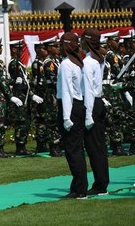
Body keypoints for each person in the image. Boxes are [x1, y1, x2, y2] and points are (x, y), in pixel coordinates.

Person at [81, 28, 110, 195]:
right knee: (99, 146)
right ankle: (102, 182)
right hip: (98, 102)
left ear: (86, 42)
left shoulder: (88, 62)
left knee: (94, 147)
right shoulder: (98, 58)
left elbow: (89, 90)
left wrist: (88, 115)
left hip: (92, 104)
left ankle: (100, 185)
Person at [58, 32, 87, 199]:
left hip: (69, 107)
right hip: (78, 105)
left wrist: (66, 117)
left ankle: (79, 189)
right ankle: (78, 185)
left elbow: (67, 91)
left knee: (72, 150)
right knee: (77, 148)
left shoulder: (66, 64)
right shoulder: (78, 62)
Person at [0, 38, 21, 158]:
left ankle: (1, 148)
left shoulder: (0, 62)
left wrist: (14, 80)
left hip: (1, 94)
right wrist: (10, 96)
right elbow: (0, 80)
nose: (1, 48)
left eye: (1, 46)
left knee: (2, 121)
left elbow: (5, 78)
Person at [7, 40, 39, 156]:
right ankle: (20, 147)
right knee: (21, 122)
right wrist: (15, 81)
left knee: (25, 122)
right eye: (19, 49)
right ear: (14, 50)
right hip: (19, 97)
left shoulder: (19, 64)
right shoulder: (13, 63)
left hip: (24, 96)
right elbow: (13, 80)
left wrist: (31, 95)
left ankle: (23, 146)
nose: (21, 51)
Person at [42, 37, 63, 157]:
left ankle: (59, 144)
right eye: (55, 46)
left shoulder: (57, 61)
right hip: (52, 95)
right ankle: (54, 146)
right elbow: (55, 79)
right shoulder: (49, 63)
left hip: (57, 93)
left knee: (58, 119)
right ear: (49, 48)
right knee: (52, 121)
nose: (58, 48)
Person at [31, 41, 48, 153]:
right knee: (41, 118)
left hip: (46, 93)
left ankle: (45, 141)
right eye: (42, 48)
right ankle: (41, 143)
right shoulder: (37, 64)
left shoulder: (45, 62)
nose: (45, 50)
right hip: (40, 93)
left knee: (47, 118)